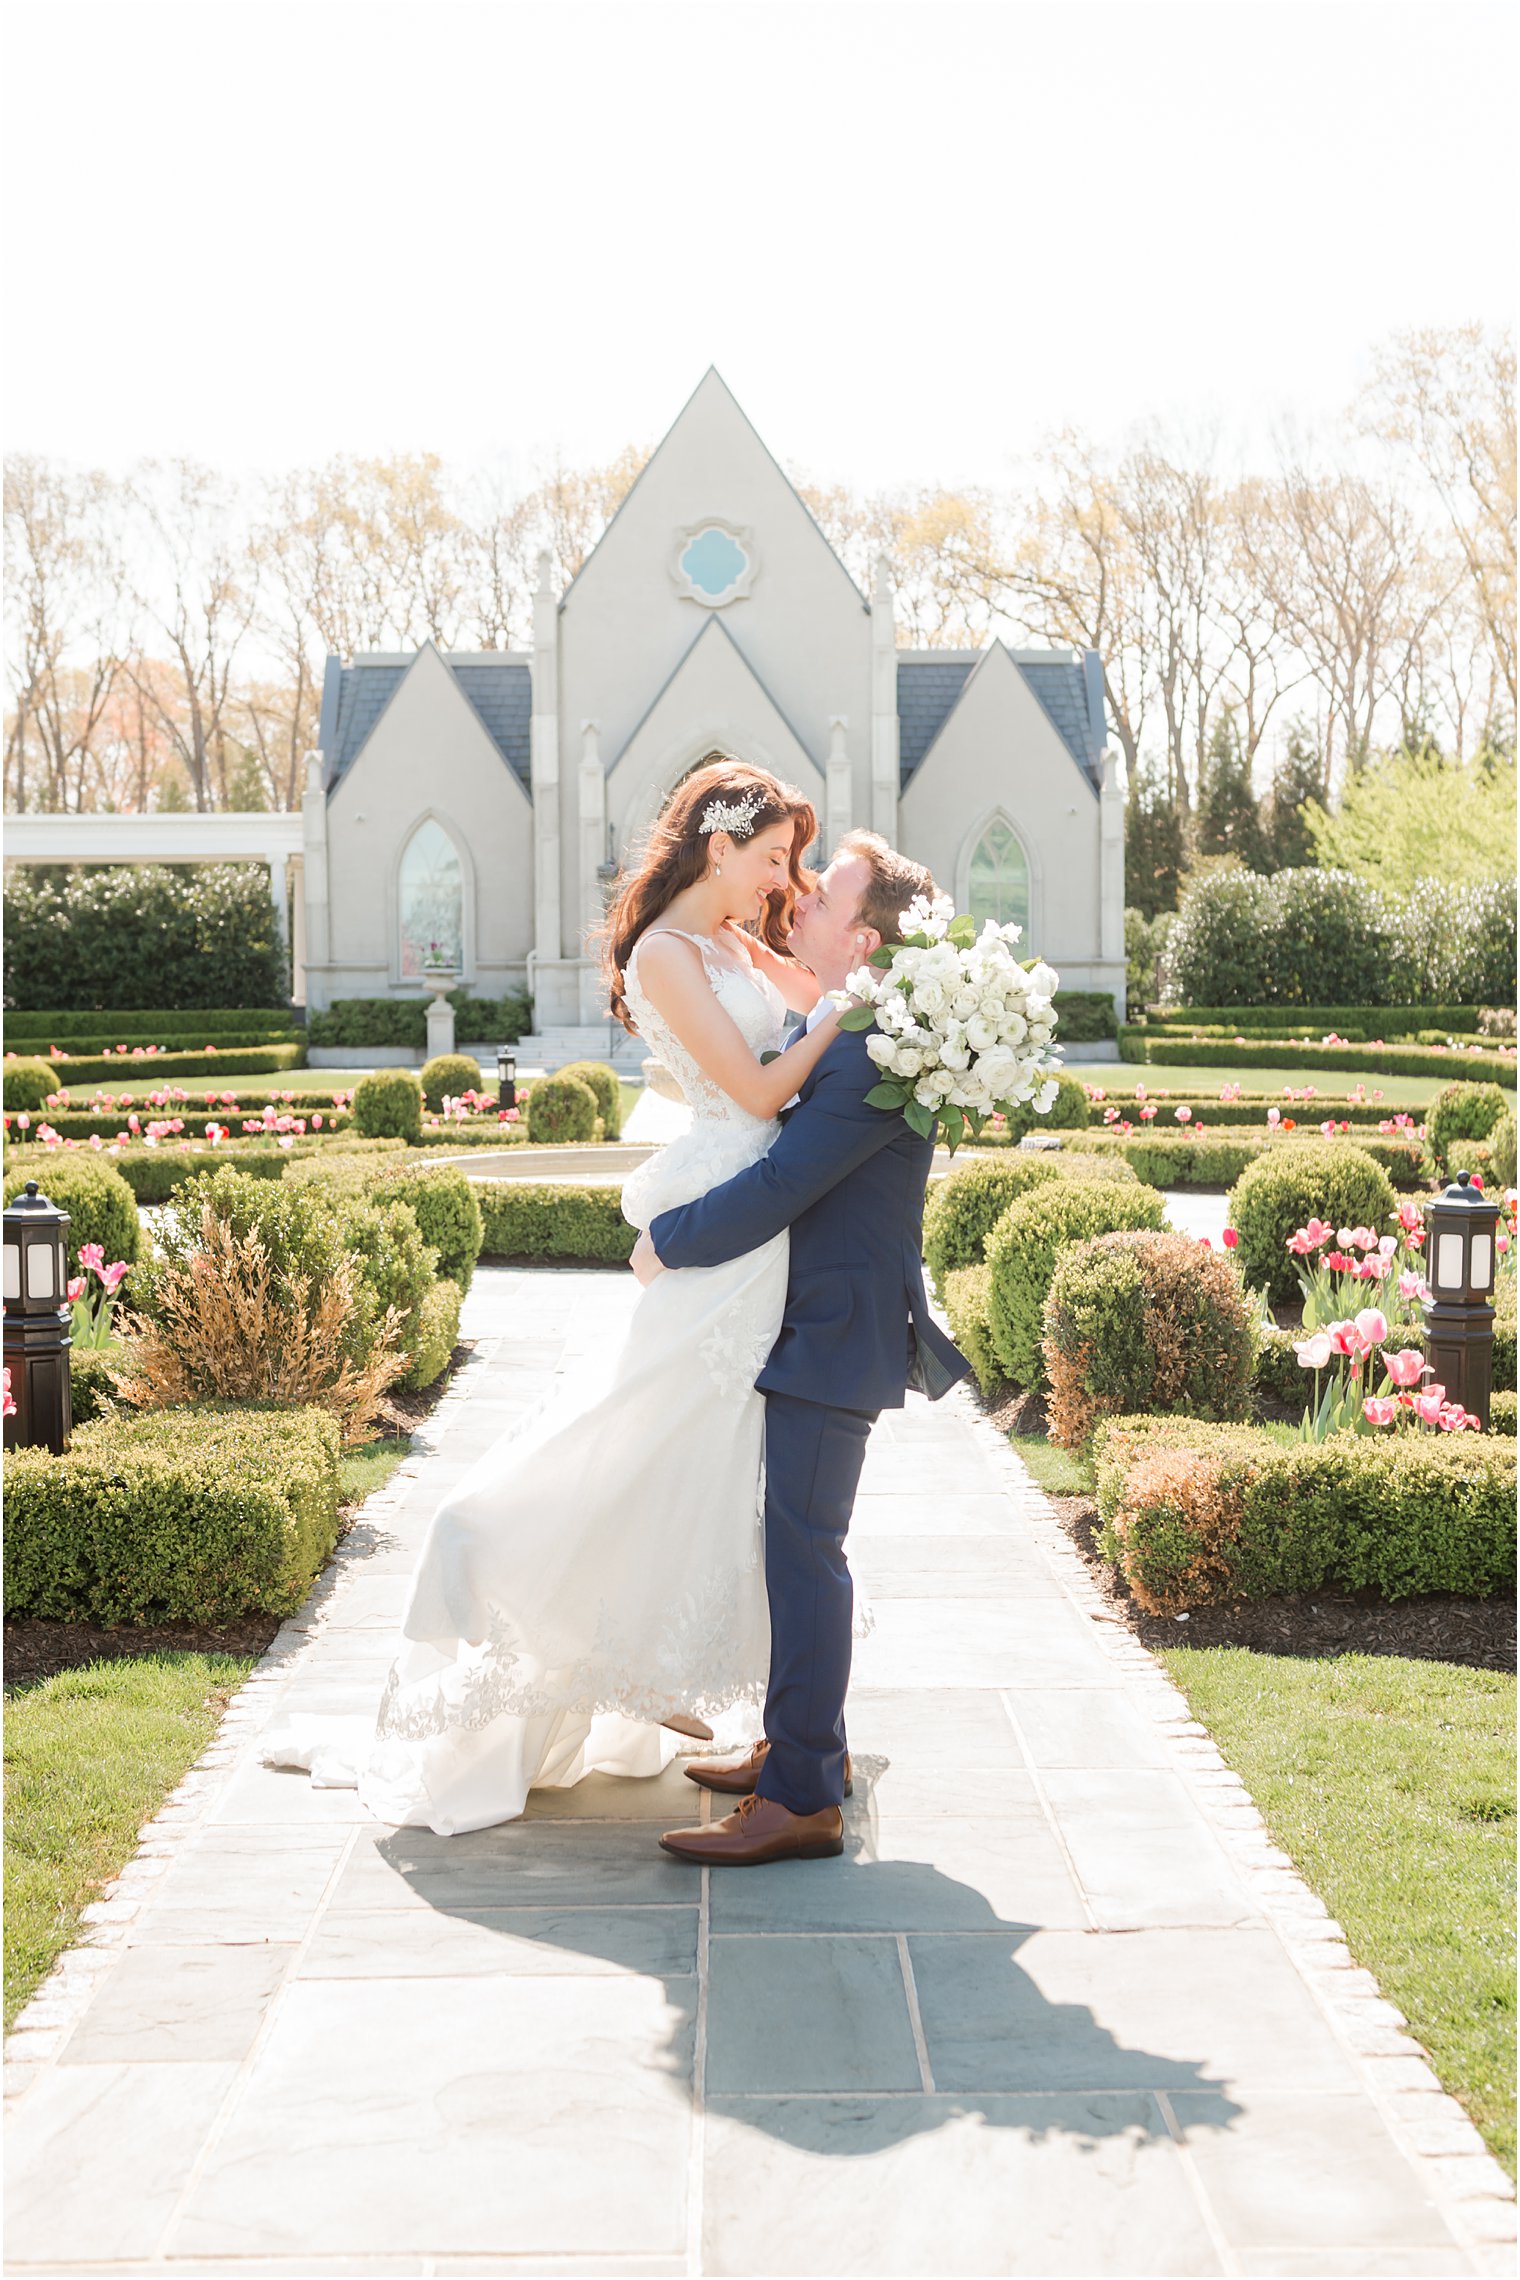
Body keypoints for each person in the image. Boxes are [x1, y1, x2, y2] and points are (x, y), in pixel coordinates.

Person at [262, 757, 842, 1833]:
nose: (778, 881)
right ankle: (521, 1580)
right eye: (769, 858)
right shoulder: (666, 953)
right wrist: (845, 1021)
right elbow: (761, 1088)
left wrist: (852, 975)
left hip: (764, 1217)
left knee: (712, 1451)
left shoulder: (730, 940)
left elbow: (815, 997)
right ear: (716, 844)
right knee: (645, 1425)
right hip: (729, 1206)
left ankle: (711, 1679)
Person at [634, 828, 969, 1869]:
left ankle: (802, 1796)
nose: (803, 900)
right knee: (793, 1549)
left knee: (805, 1555)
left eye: (826, 898)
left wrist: (667, 1241)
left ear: (861, 940)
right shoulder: (859, 1025)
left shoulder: (872, 1047)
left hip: (835, 1328)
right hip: (816, 1318)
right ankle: (792, 1752)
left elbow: (786, 1185)